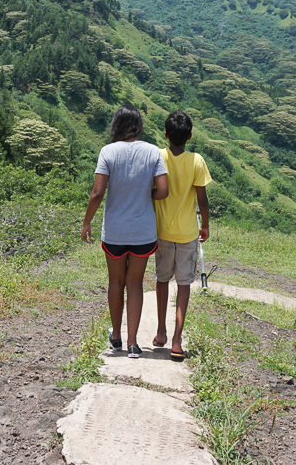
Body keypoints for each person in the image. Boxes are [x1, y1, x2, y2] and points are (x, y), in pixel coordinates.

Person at [82, 105, 168, 358]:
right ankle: (133, 343)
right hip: (143, 232)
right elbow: (163, 191)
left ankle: (116, 339)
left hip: (116, 232)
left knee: (115, 282)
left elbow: (97, 193)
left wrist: (87, 222)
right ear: (139, 125)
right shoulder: (153, 152)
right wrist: (144, 195)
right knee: (135, 284)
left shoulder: (108, 152)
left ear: (116, 125)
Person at [152, 110, 212, 361]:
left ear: (165, 134)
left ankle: (161, 332)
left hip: (161, 231)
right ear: (190, 136)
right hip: (187, 233)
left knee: (162, 281)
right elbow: (203, 199)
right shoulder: (197, 161)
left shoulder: (157, 156)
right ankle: (177, 340)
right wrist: (205, 226)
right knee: (184, 285)